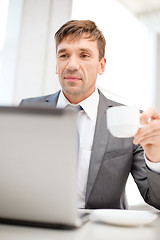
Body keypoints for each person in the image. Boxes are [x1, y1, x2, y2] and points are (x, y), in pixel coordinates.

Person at [20, 20, 160, 210]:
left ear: (101, 66)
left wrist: (155, 157)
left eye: (84, 55)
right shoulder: (28, 111)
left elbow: (156, 198)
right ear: (56, 64)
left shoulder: (130, 120)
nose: (72, 65)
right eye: (64, 55)